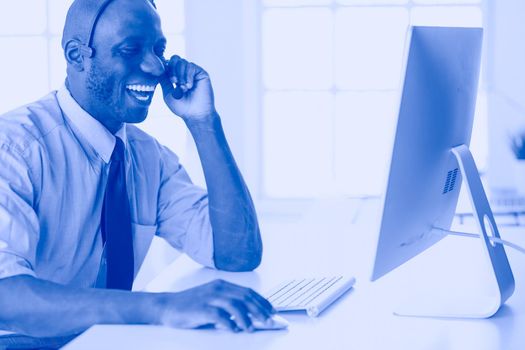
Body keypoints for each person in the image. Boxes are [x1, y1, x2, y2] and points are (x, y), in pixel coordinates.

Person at [0, 0, 274, 337]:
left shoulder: (148, 158)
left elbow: (236, 254)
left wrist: (204, 123)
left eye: (159, 49)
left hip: (107, 342)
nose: (156, 67)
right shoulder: (14, 149)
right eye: (130, 50)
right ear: (77, 55)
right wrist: (163, 306)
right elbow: (6, 298)